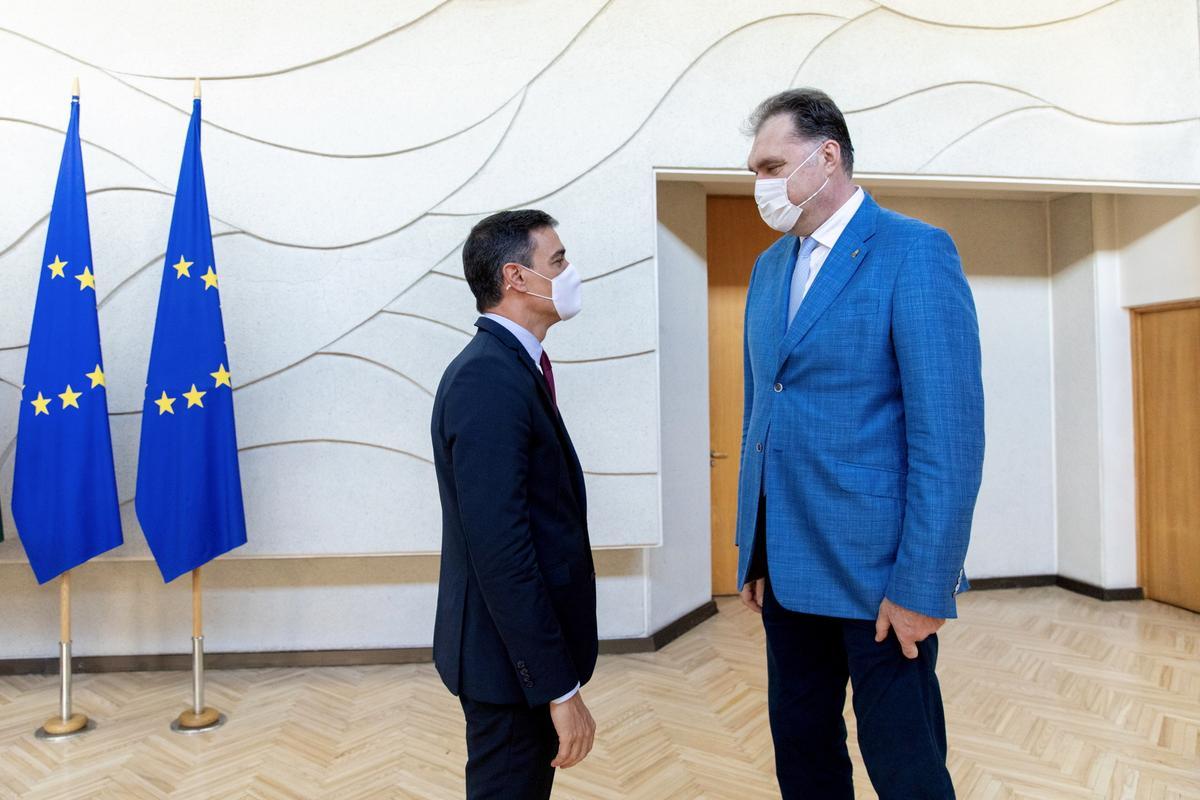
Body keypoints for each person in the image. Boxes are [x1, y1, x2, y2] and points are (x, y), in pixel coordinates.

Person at [736, 88, 985, 799]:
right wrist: (753, 547)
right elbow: (762, 411)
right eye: (753, 169)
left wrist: (925, 582)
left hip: (880, 578)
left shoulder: (915, 251)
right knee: (804, 754)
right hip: (786, 571)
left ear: (827, 156)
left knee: (905, 767)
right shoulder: (768, 269)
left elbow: (951, 435)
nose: (762, 184)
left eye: (771, 164)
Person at [431, 209, 598, 799]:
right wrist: (559, 689)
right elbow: (503, 552)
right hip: (507, 667)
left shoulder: (513, 368)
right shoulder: (487, 379)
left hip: (516, 658)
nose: (570, 272)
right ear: (516, 278)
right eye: (557, 261)